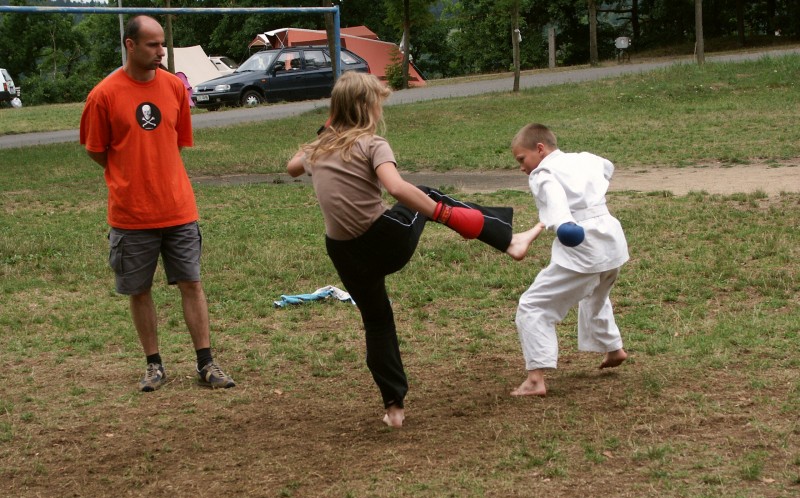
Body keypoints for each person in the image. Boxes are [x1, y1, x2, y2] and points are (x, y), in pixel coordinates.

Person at [287, 71, 543, 428]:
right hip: (385, 241)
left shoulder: (316, 150)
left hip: (345, 253)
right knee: (427, 193)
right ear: (366, 106)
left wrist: (327, 129)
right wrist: (443, 215)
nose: (380, 110)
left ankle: (394, 408)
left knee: (376, 321)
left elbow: (291, 167)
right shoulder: (373, 144)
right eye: (377, 103)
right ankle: (508, 240)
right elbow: (395, 188)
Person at [79, 15, 235, 392]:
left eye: (162, 43)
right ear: (130, 45)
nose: (161, 51)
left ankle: (206, 362)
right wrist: (129, 174)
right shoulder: (103, 95)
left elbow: (177, 142)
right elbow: (96, 150)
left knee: (192, 283)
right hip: (131, 214)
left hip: (178, 209)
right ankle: (154, 365)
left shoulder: (174, 87)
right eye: (152, 44)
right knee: (139, 289)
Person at [509, 123, 629, 397]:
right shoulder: (584, 158)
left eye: (522, 159)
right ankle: (614, 349)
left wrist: (564, 223)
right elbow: (607, 167)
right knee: (595, 295)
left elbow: (555, 200)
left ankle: (535, 379)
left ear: (540, 149)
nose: (522, 167)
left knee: (533, 305)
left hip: (583, 245)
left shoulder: (544, 173)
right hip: (612, 242)